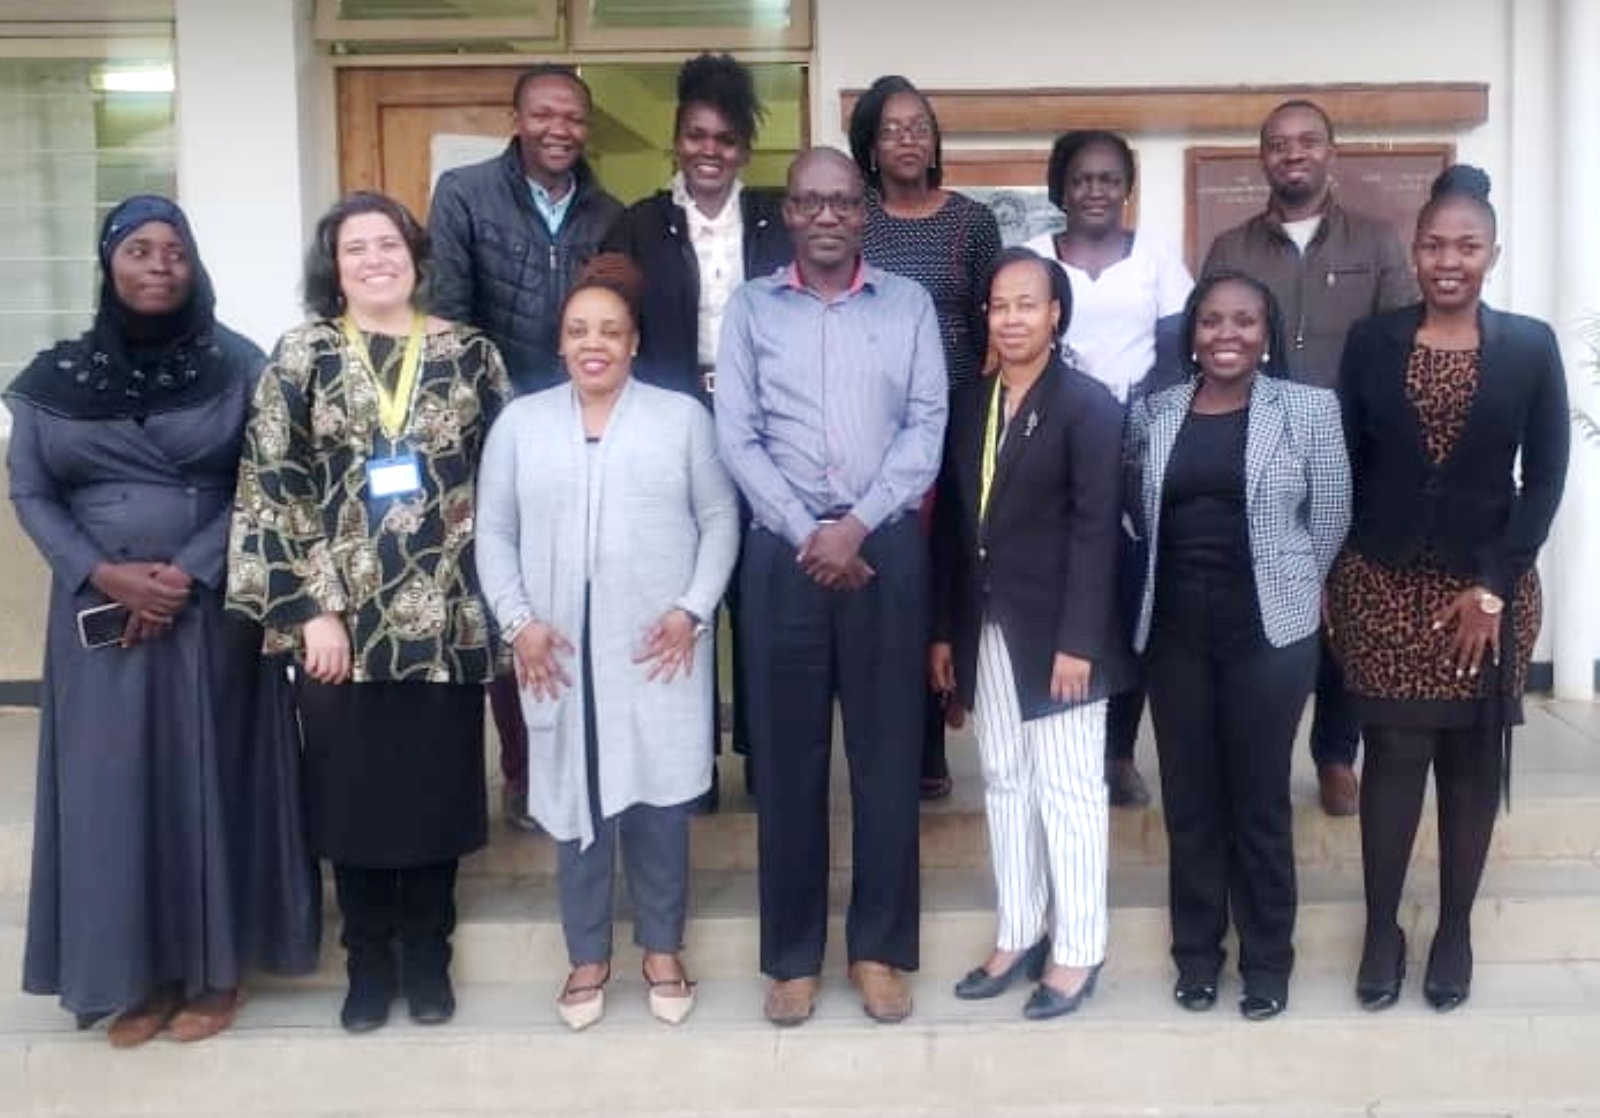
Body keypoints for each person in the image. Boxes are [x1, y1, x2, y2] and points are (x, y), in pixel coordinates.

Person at [6, 195, 319, 1046]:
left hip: (210, 610)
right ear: (108, 264)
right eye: (139, 250)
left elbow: (268, 480)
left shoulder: (238, 364)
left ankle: (216, 973)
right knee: (115, 796)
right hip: (98, 615)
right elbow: (31, 489)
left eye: (173, 251)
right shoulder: (53, 379)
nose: (157, 265)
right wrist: (99, 570)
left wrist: (186, 573)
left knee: (208, 781)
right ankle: (134, 973)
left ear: (195, 264)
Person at [229, 191, 511, 1033]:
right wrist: (310, 608)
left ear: (416, 256)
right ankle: (367, 962)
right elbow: (271, 485)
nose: (375, 259)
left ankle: (429, 955)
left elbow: (513, 480)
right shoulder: (301, 356)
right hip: (339, 624)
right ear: (334, 267)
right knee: (352, 799)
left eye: (388, 243)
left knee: (433, 793)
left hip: (448, 617)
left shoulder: (470, 355)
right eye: (356, 248)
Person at [475, 254, 740, 1031]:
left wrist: (692, 610)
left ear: (633, 343)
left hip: (654, 649)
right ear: (560, 344)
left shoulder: (681, 418)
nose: (594, 343)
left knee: (659, 802)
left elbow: (720, 520)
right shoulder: (521, 424)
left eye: (611, 331)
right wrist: (517, 621)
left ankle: (662, 948)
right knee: (574, 803)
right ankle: (587, 955)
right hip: (555, 652)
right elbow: (493, 531)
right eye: (578, 330)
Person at [1328, 166, 1569, 1014]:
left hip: (1486, 587)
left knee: (1469, 762)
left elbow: (1543, 478)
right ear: (1413, 250)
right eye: (1433, 244)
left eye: (1467, 245)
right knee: (1392, 758)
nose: (1448, 260)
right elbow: (1346, 463)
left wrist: (1495, 585)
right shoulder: (1373, 342)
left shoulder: (1531, 347)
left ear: (1493, 253)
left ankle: (1455, 929)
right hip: (1385, 581)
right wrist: (1339, 568)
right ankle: (1382, 927)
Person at [717, 147, 948, 1027]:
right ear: (787, 213)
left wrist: (855, 526)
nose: (826, 215)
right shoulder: (749, 311)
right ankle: (792, 957)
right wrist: (807, 530)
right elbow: (736, 436)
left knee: (887, 760)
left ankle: (879, 950)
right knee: (786, 762)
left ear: (864, 213)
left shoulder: (910, 306)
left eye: (842, 202)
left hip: (882, 547)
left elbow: (927, 426)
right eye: (809, 201)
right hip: (783, 554)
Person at [1126, 272, 1350, 1021]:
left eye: (1245, 321)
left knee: (1258, 803)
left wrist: (1298, 583)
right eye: (1212, 320)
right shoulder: (1154, 412)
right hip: (1175, 633)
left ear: (1268, 330)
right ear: (1191, 331)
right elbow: (1137, 514)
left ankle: (1267, 963)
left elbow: (1332, 513)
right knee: (1190, 803)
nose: (1228, 334)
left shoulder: (1309, 409)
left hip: (1270, 632)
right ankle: (1196, 958)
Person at [930, 247, 1130, 1019]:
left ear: (1055, 315)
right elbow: (956, 528)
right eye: (999, 305)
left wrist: (1079, 640)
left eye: (1027, 304)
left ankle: (1078, 948)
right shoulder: (971, 402)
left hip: (1062, 638)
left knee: (1072, 791)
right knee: (1006, 783)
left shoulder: (1087, 405)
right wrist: (947, 630)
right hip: (988, 630)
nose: (1011, 318)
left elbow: (1095, 534)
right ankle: (1019, 931)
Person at [1202, 99, 1417, 817]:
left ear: (1333, 153)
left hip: (1352, 455)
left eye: (1306, 142)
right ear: (1261, 157)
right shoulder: (1232, 248)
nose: (1291, 154)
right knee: (1264, 598)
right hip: (1254, 456)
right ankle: (1258, 747)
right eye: (1276, 144)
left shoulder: (1379, 242)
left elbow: (1401, 347)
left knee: (1340, 606)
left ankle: (1334, 754)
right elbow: (1211, 347)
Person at [429, 63, 624, 832]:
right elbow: (449, 311)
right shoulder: (465, 194)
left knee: (583, 584)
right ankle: (522, 768)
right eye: (544, 114)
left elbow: (613, 319)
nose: (559, 129)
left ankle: (589, 750)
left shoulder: (608, 213)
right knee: (511, 597)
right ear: (516, 119)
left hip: (587, 424)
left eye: (573, 117)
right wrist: (482, 424)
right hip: (497, 427)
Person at [601, 52, 793, 803]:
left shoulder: (774, 221)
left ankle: (759, 752)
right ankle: (690, 762)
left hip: (763, 427)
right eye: (695, 136)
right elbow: (613, 323)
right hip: (671, 426)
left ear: (743, 149)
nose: (708, 151)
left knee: (757, 588)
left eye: (724, 139)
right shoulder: (639, 224)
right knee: (683, 585)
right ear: (675, 141)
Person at [1026, 129, 1194, 808]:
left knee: (1129, 598)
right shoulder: (1035, 258)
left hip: (1136, 442)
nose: (1095, 190)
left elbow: (1177, 353)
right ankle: (1061, 741)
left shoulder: (1154, 257)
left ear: (1127, 188)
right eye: (1082, 178)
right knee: (1057, 589)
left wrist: (1131, 423)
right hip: (1051, 442)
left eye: (1109, 179)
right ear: (1061, 187)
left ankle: (1118, 752)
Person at [847, 74, 1001, 801]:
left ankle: (939, 727)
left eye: (920, 126)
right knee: (893, 572)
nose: (908, 139)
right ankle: (894, 734)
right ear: (869, 148)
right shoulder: (856, 221)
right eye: (892, 128)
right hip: (878, 422)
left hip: (961, 416)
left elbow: (989, 324)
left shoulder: (972, 223)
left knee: (947, 572)